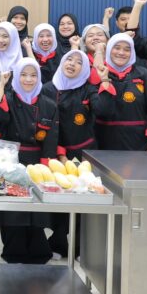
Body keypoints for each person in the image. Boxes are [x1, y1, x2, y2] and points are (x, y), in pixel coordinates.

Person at [0, 61, 59, 264]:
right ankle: (13, 251)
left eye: (33, 75)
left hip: (37, 163)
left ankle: (38, 250)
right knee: (12, 208)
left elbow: (51, 139)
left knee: (36, 209)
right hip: (11, 161)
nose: (28, 79)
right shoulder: (8, 99)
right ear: (16, 76)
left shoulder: (49, 104)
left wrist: (46, 166)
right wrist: (1, 85)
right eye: (23, 74)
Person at [44, 49, 98, 257]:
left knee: (83, 199)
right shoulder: (48, 88)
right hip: (57, 151)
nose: (72, 64)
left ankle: (80, 247)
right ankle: (58, 243)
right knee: (61, 200)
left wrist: (100, 82)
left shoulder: (87, 89)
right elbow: (49, 125)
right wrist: (60, 153)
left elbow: (103, 109)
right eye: (69, 59)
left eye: (78, 62)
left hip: (84, 153)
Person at [92, 33, 147, 151]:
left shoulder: (145, 75)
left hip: (138, 144)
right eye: (117, 48)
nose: (121, 53)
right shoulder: (100, 74)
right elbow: (99, 110)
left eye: (127, 49)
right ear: (109, 49)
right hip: (103, 144)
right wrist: (104, 78)